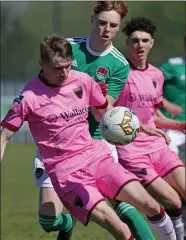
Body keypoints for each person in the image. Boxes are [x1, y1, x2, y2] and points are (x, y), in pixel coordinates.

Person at [0, 34, 177, 240]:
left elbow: (105, 111)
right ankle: (66, 223)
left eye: (67, 66)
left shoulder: (83, 80)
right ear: (42, 63)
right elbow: (4, 136)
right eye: (57, 68)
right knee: (119, 229)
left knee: (151, 205)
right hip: (67, 174)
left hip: (97, 158)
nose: (64, 73)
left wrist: (140, 126)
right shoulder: (28, 98)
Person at [34, 2, 156, 240]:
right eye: (102, 23)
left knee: (122, 206)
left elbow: (107, 112)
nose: (106, 29)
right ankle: (66, 223)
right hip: (58, 146)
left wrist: (97, 97)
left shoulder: (119, 64)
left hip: (95, 142)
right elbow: (44, 84)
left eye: (112, 25)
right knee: (49, 221)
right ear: (92, 20)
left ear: (118, 28)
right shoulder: (68, 47)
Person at [115, 16, 186, 240]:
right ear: (127, 43)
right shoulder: (120, 74)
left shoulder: (156, 74)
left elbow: (154, 117)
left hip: (158, 146)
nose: (140, 45)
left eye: (145, 40)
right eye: (135, 40)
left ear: (151, 43)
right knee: (172, 201)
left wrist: (181, 125)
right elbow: (108, 113)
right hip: (131, 152)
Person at [159, 36, 185, 160]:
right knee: (170, 162)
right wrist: (167, 105)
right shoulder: (172, 65)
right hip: (172, 126)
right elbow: (149, 86)